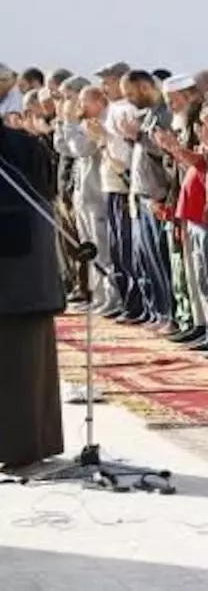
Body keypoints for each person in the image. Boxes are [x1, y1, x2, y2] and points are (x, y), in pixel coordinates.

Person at [0, 116, 65, 468]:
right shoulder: (24, 145)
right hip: (24, 281)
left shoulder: (18, 150)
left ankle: (20, 449)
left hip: (17, 280)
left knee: (22, 366)